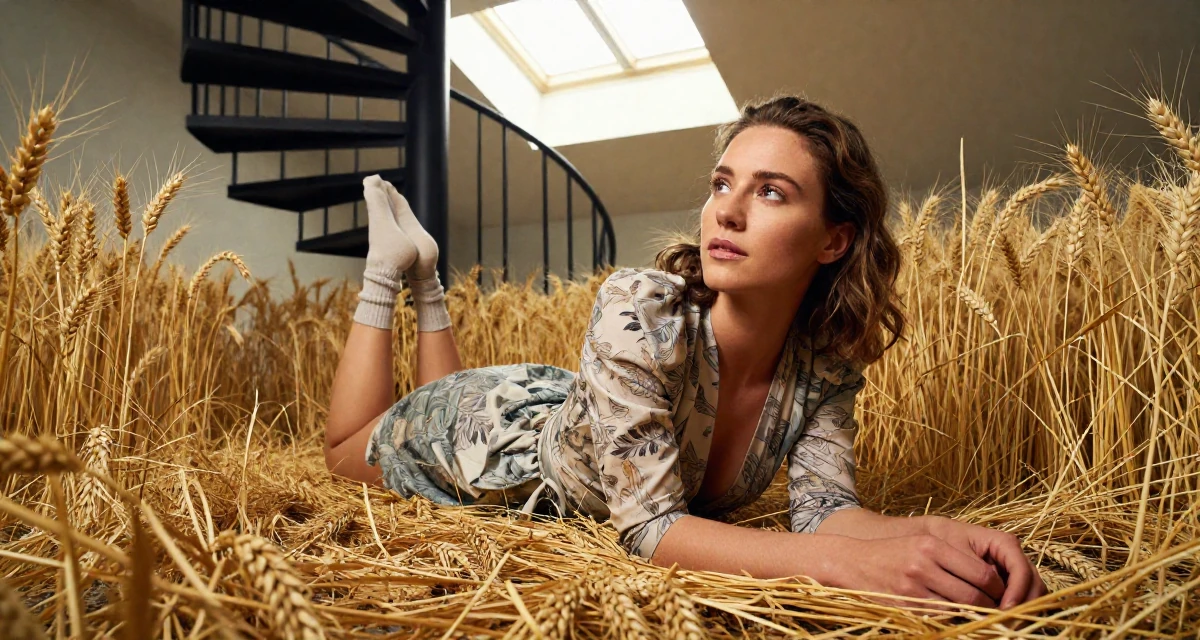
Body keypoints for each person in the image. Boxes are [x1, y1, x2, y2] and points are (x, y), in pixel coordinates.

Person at [322, 94, 1048, 611]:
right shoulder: (639, 305)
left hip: (564, 414)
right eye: (722, 183)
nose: (726, 211)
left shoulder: (823, 368)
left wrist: (943, 539)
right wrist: (845, 568)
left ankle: (426, 273)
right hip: (496, 441)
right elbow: (649, 526)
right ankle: (398, 269)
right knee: (343, 454)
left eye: (771, 193)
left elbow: (825, 512)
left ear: (834, 239)